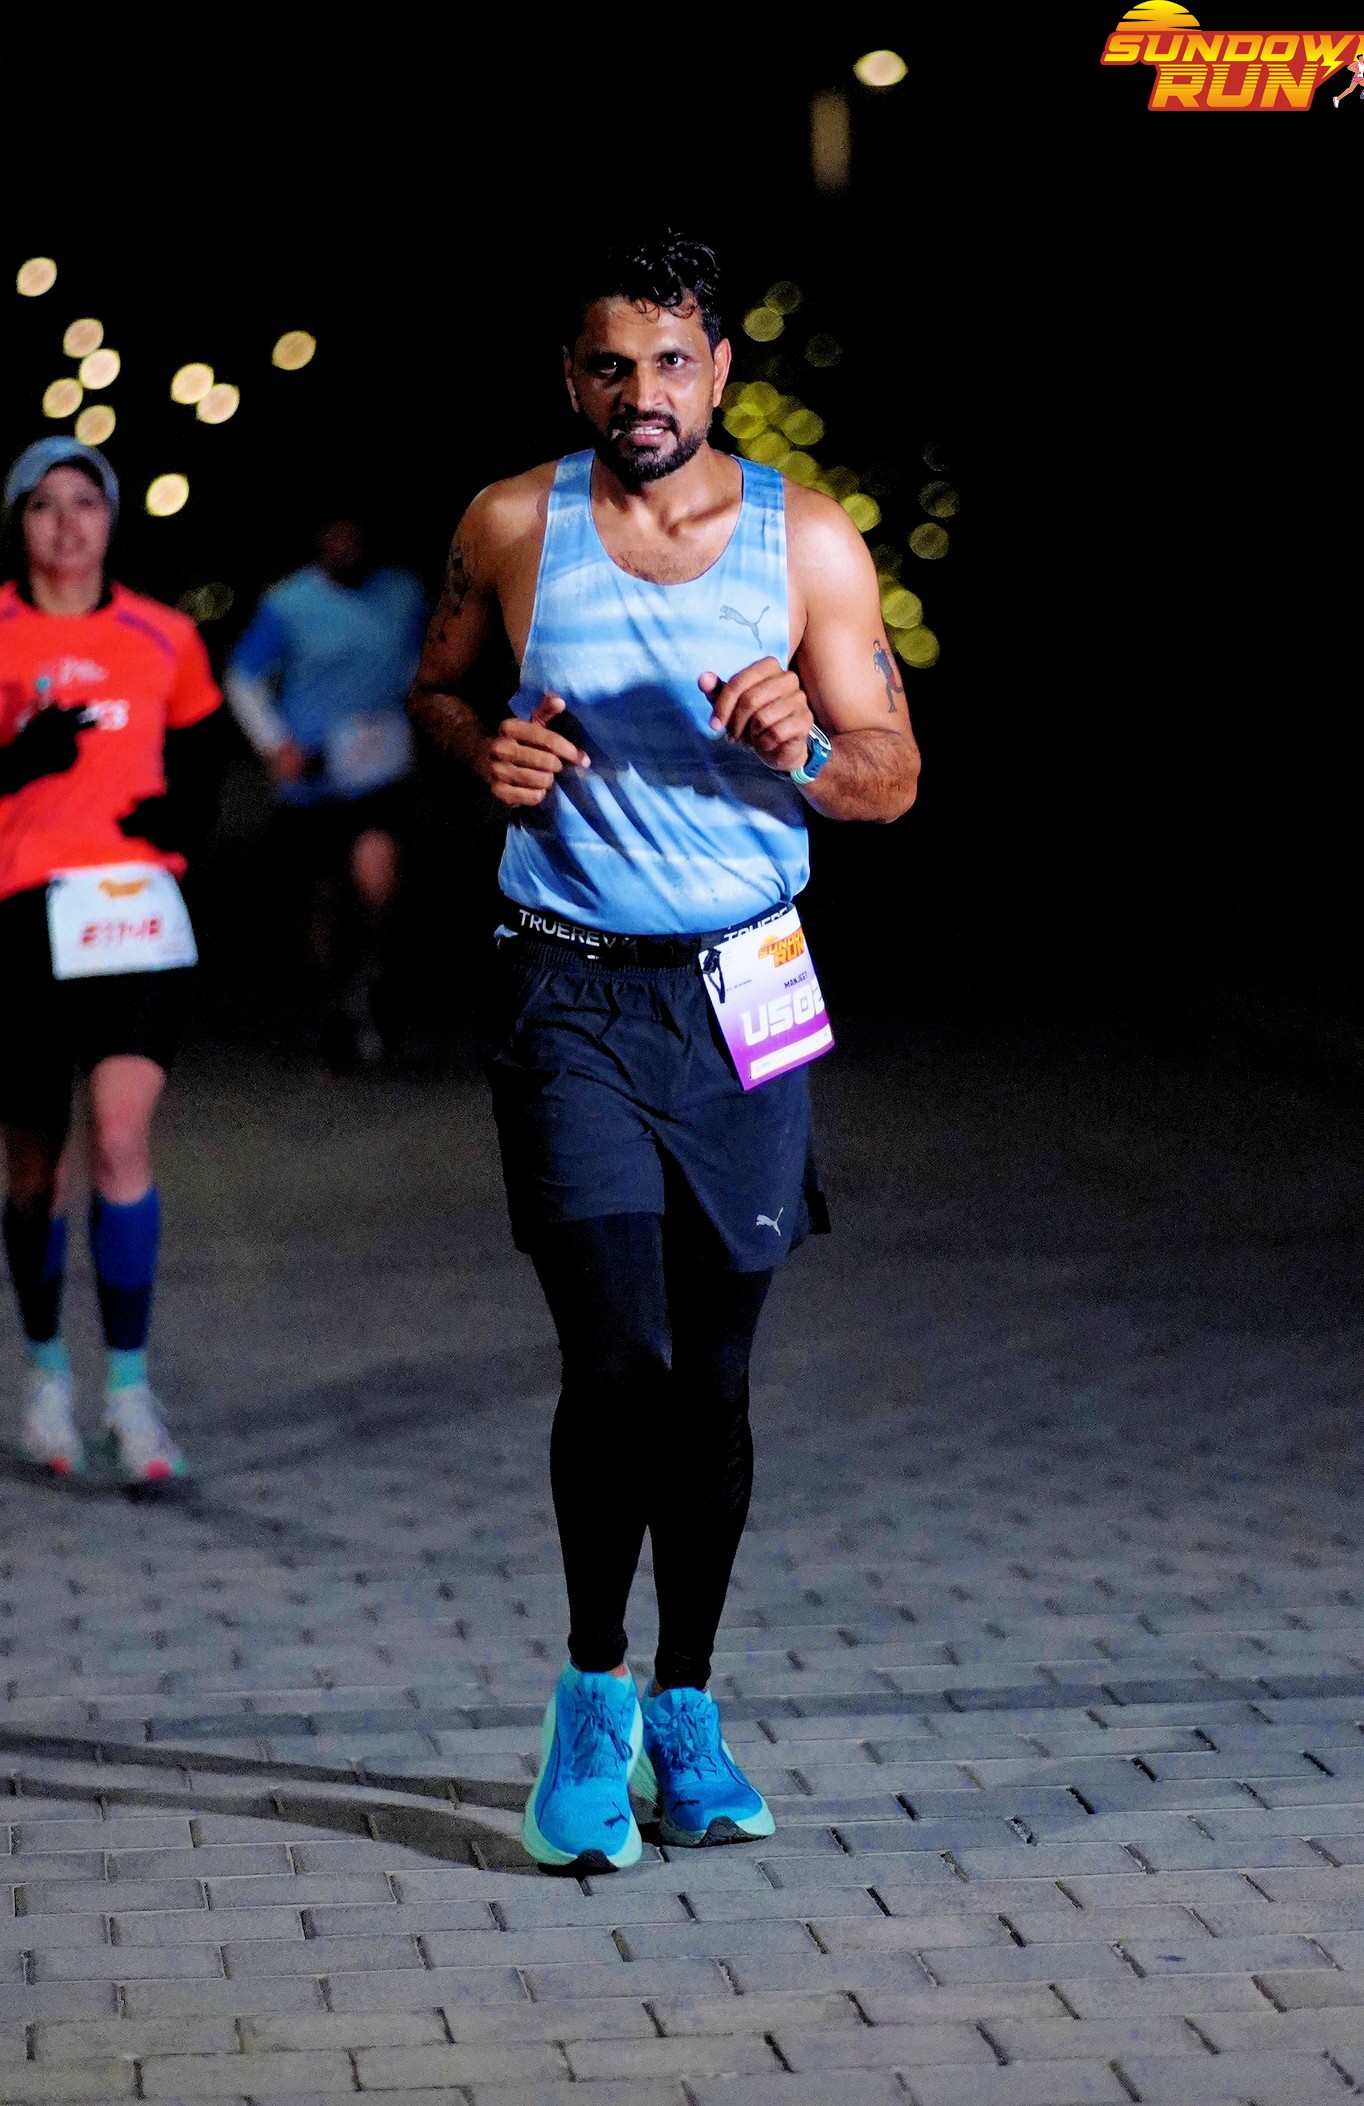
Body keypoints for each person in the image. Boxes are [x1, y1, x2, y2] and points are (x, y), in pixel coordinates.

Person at [408, 231, 920, 1874]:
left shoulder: (806, 539)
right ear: (573, 379)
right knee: (618, 1355)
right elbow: (438, 688)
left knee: (713, 1376)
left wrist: (807, 748)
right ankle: (590, 1696)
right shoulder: (511, 522)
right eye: (613, 364)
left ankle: (687, 1705)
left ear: (719, 371)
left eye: (674, 360)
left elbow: (892, 773)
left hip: (747, 993)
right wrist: (483, 750)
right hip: (565, 987)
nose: (645, 392)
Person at [0, 438, 224, 1482]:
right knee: (35, 1167)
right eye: (44, 505)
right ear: (20, 522)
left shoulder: (162, 634)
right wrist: (16, 761)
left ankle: (131, 1395)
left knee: (122, 1142)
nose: (66, 523)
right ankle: (48, 1377)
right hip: (19, 916)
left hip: (133, 916)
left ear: (110, 518)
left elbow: (203, 754)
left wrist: (183, 821)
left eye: (84, 502)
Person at [224, 519, 427, 1068]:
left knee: (377, 877)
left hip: (380, 768)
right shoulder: (289, 602)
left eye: (354, 535)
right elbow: (242, 676)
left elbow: (425, 664)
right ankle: (338, 1004)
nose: (344, 546)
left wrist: (417, 719)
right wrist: (274, 743)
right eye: (333, 536)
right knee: (324, 897)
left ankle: (376, 978)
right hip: (313, 773)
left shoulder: (403, 594)